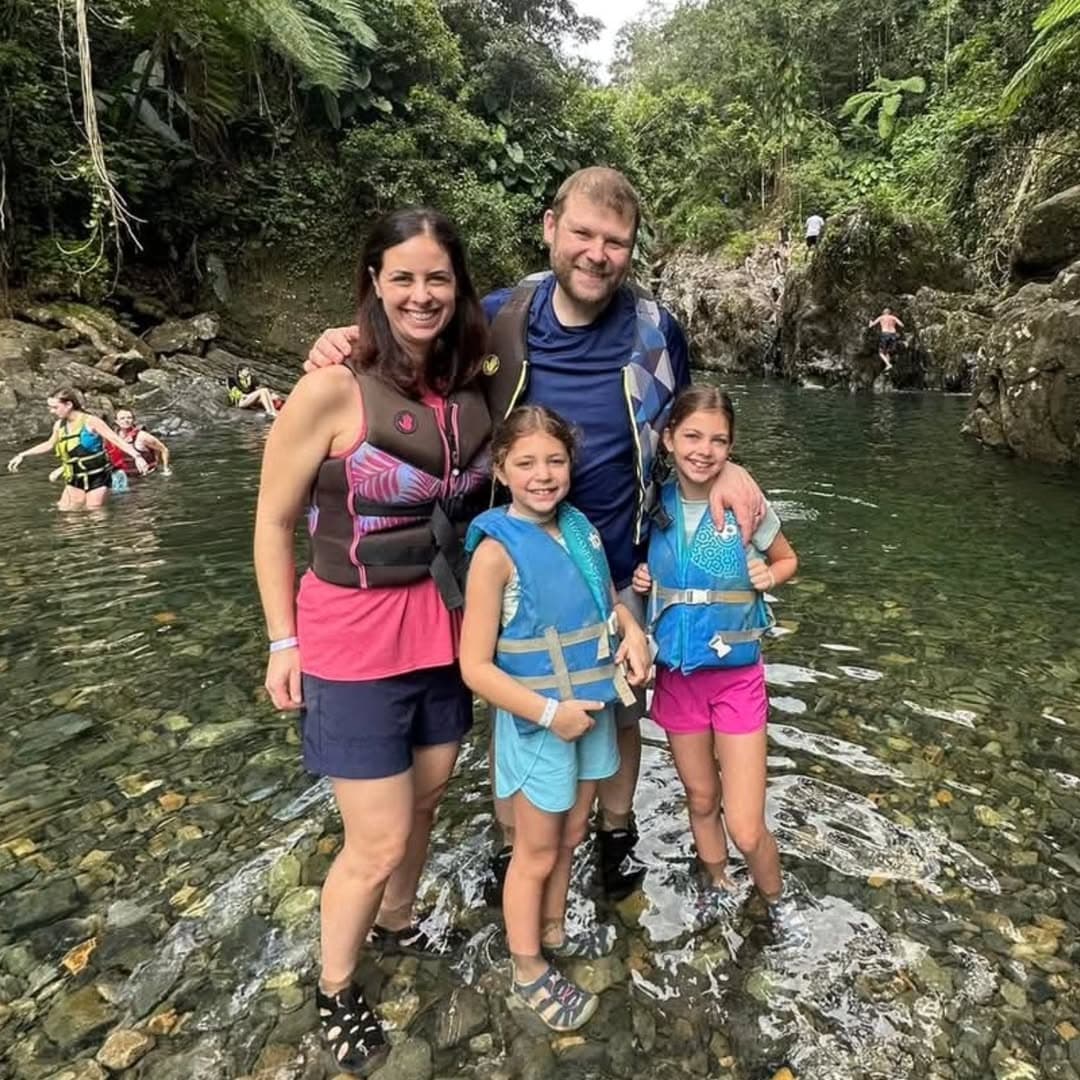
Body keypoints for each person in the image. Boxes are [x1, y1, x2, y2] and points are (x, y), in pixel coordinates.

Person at [305, 167, 767, 903]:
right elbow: (413, 362)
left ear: (631, 251)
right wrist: (345, 341)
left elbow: (689, 430)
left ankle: (616, 834)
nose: (597, 253)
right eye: (582, 233)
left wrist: (730, 468)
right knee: (515, 708)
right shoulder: (500, 319)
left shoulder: (655, 331)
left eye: (615, 242)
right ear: (550, 229)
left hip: (617, 563)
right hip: (515, 561)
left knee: (618, 706)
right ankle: (512, 844)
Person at [254, 207, 498, 1076]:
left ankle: (398, 921)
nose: (421, 294)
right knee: (379, 836)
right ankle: (335, 981)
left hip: (442, 628)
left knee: (428, 800)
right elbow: (274, 521)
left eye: (437, 278)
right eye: (402, 278)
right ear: (373, 283)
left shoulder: (474, 384)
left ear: (458, 287)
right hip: (350, 638)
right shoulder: (330, 386)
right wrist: (283, 641)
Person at [459, 405, 650, 1030]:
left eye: (555, 461)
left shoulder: (580, 527)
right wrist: (549, 713)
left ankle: (552, 925)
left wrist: (630, 632)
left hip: (592, 709)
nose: (543, 475)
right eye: (527, 463)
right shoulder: (495, 555)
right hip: (542, 723)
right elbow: (474, 668)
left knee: (571, 836)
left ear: (572, 464)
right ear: (502, 470)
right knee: (534, 852)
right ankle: (526, 966)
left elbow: (607, 603)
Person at [630, 386, 807, 940]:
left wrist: (769, 576)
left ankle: (776, 901)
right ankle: (716, 883)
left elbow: (788, 558)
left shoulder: (745, 501)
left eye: (719, 440)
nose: (704, 451)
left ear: (732, 446)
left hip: (736, 679)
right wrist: (644, 585)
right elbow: (636, 571)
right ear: (668, 438)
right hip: (678, 681)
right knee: (702, 799)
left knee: (748, 824)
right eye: (692, 436)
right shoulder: (649, 504)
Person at [6, 388, 150, 509]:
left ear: (68, 404)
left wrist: (137, 456)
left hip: (98, 477)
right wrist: (23, 454)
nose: (51, 411)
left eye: (55, 407)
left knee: (94, 514)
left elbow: (116, 439)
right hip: (75, 477)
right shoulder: (59, 425)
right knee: (66, 513)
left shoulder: (91, 421)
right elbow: (50, 444)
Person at [104, 409, 173, 476]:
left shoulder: (142, 436)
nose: (126, 420)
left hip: (145, 476)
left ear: (133, 420)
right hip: (123, 476)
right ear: (116, 421)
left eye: (129, 418)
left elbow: (164, 449)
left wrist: (166, 469)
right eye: (122, 418)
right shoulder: (113, 437)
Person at [868, 307, 905, 372]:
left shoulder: (881, 317)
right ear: (889, 313)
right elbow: (902, 325)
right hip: (893, 335)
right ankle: (887, 366)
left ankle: (888, 364)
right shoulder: (893, 317)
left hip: (885, 334)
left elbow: (871, 326)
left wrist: (870, 322)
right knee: (887, 352)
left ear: (883, 313)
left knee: (881, 353)